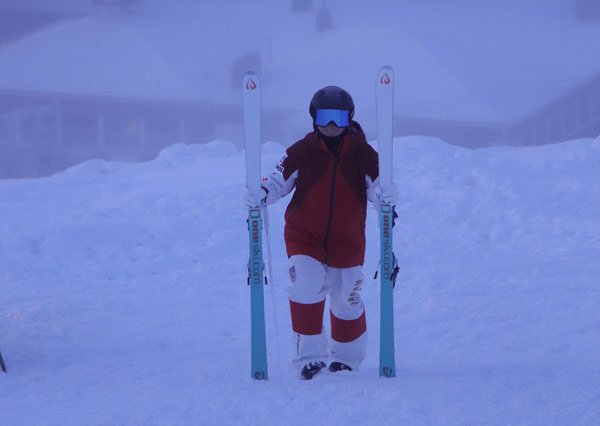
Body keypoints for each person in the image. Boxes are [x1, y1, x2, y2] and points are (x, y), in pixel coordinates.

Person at [244, 85, 399, 380]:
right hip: (305, 237)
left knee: (347, 301)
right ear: (314, 118)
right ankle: (309, 359)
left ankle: (345, 359)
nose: (330, 125)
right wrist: (262, 191)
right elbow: (278, 178)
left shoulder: (363, 154)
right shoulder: (303, 150)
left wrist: (386, 195)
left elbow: (378, 186)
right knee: (304, 286)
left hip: (347, 242)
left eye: (338, 119)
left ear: (348, 119)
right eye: (324, 118)